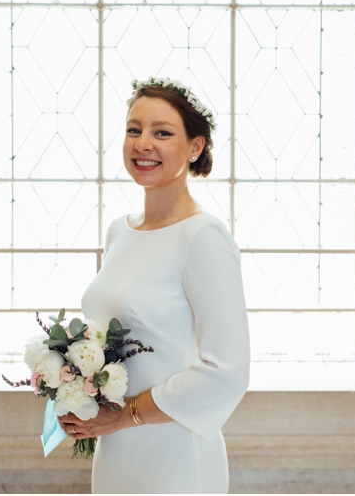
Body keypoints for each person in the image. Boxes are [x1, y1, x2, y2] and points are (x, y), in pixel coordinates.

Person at [57, 77, 251, 493]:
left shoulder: (203, 238)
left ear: (195, 147)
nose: (143, 143)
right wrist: (76, 385)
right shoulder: (119, 232)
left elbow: (228, 371)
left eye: (162, 133)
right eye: (134, 129)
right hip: (116, 452)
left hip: (175, 453)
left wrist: (126, 414)